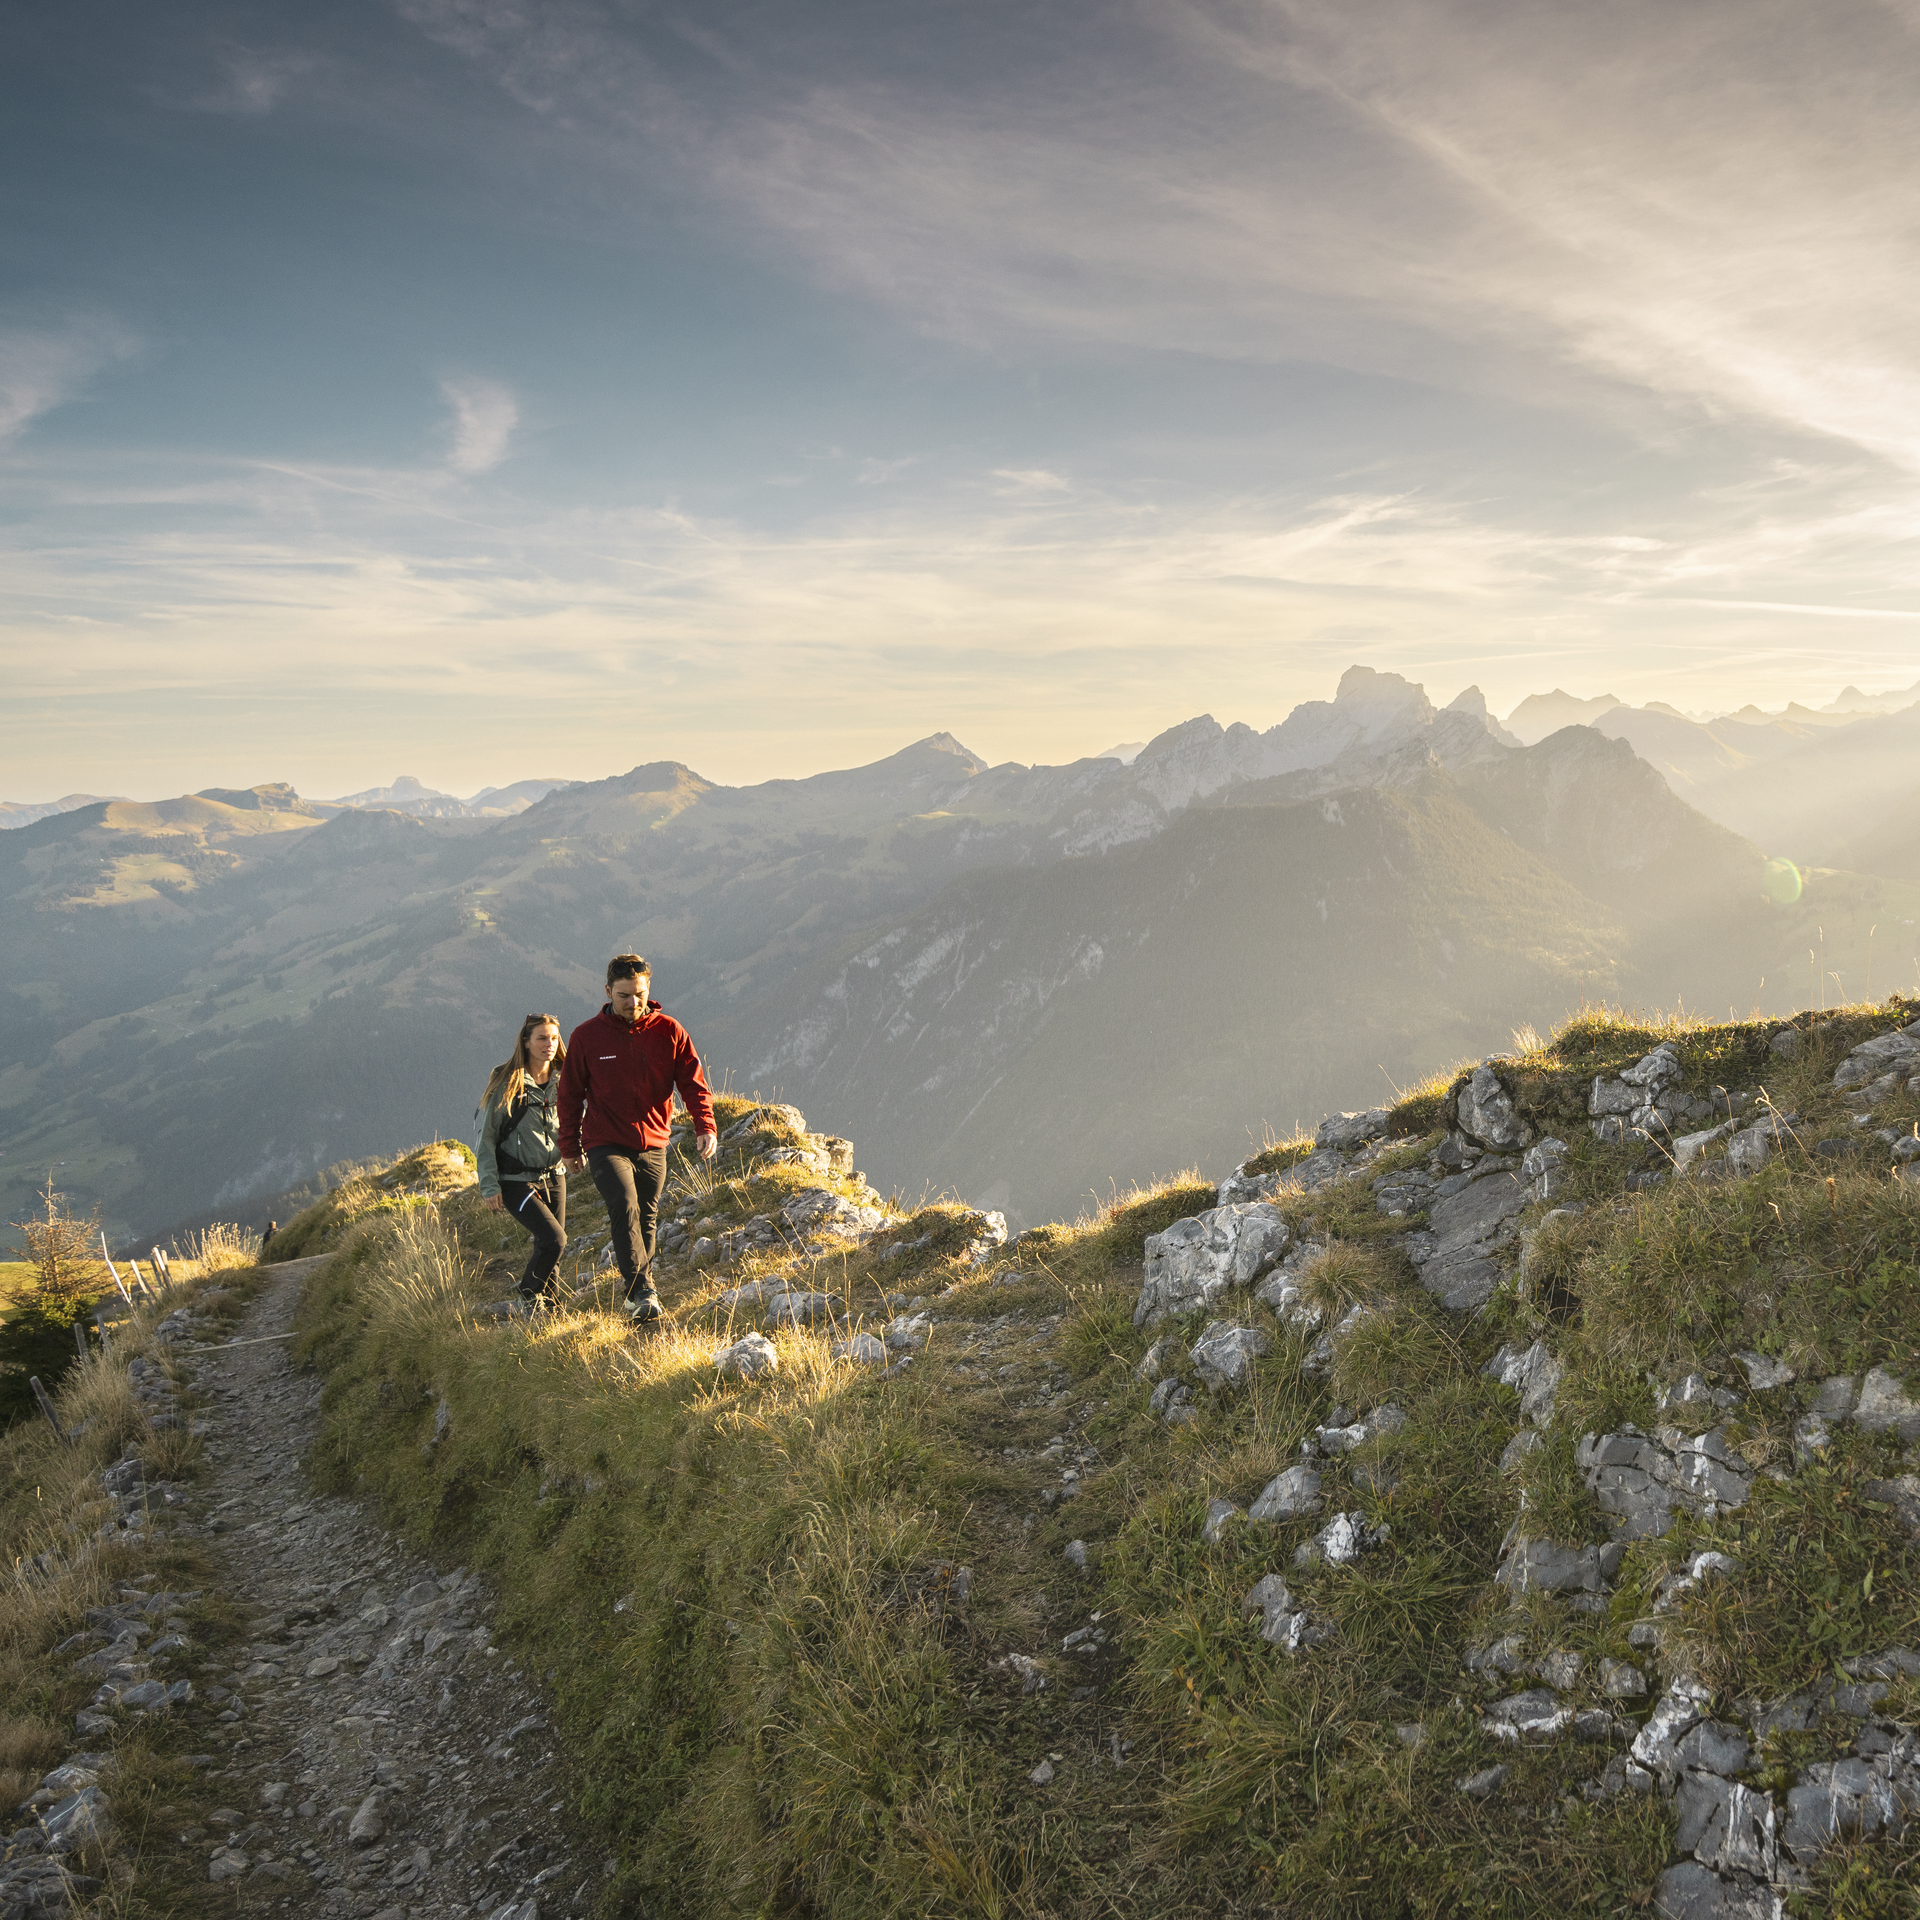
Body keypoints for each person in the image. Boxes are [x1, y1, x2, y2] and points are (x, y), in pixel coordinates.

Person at [556, 955, 717, 1322]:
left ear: (648, 990)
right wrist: (569, 1147)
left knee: (646, 1216)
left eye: (639, 994)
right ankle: (641, 1291)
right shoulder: (586, 1036)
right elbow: (569, 1095)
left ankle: (638, 1290)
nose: (633, 1003)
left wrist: (705, 1125)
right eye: (625, 995)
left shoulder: (670, 1031)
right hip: (605, 1141)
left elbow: (693, 1083)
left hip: (654, 1141)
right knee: (624, 1205)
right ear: (608, 991)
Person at [476, 1013, 570, 1309]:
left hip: (555, 1175)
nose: (549, 1044)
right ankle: (528, 1295)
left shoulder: (564, 1079)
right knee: (555, 1240)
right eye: (542, 1038)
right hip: (516, 1181)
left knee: (548, 1246)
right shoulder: (509, 1085)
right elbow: (487, 1137)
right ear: (526, 1042)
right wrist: (490, 1185)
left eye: (554, 1038)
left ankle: (549, 1310)